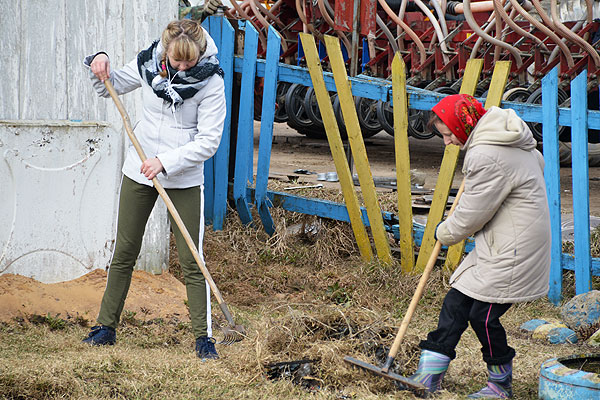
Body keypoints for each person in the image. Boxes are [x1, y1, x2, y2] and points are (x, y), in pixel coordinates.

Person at [81, 19, 226, 361]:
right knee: (125, 250)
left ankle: (203, 338)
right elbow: (109, 86)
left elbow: (209, 142)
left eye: (189, 61)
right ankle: (105, 327)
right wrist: (99, 61)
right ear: (166, 51)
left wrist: (166, 161)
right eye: (177, 60)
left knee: (192, 259)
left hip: (183, 177)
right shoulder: (149, 63)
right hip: (139, 170)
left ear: (200, 53)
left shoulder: (211, 82)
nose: (182, 67)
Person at [406, 94, 551, 398]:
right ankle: (427, 376)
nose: (446, 143)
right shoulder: (501, 141)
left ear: (463, 125)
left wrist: (443, 232)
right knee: (455, 304)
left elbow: (471, 216)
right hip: (501, 242)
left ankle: (500, 384)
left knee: (482, 316)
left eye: (447, 135)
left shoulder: (487, 154)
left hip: (514, 249)